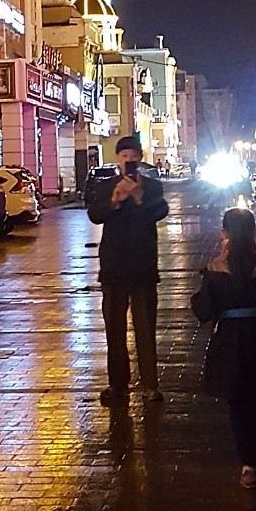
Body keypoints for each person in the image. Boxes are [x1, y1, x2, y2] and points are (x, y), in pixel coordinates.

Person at [191, 207, 256, 486]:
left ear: (225, 234)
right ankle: (255, 459)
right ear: (253, 233)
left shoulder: (216, 269)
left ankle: (246, 463)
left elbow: (204, 309)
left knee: (237, 403)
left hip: (229, 341)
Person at [85, 135, 169, 405]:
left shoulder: (153, 187)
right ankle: (117, 384)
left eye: (134, 156)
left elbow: (160, 211)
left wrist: (139, 196)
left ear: (140, 158)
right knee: (115, 331)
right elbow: (95, 214)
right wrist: (116, 199)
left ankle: (150, 385)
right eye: (124, 156)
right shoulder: (106, 185)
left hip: (143, 267)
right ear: (117, 158)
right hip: (113, 268)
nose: (129, 160)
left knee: (145, 330)